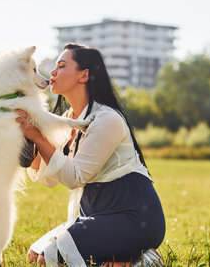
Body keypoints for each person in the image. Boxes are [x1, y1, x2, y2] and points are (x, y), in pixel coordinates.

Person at [15, 44, 166, 266]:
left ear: (84, 75)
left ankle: (142, 261)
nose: (53, 72)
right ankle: (125, 259)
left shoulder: (107, 119)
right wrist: (29, 135)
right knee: (35, 255)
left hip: (133, 218)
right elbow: (50, 178)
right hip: (96, 216)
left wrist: (38, 136)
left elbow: (74, 177)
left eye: (62, 66)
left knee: (50, 259)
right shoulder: (68, 120)